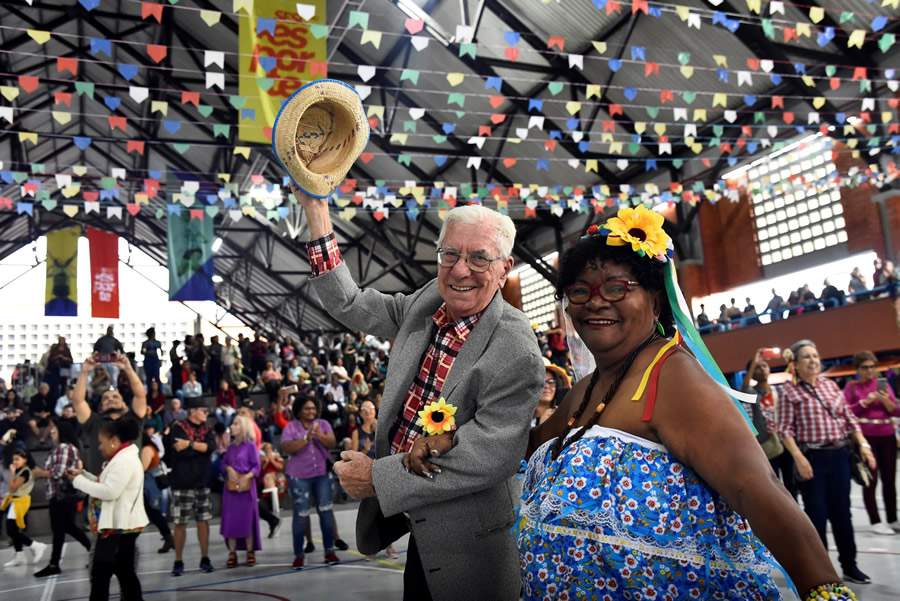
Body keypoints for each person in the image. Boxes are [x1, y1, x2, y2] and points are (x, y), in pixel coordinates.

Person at [490, 206, 858, 600]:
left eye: (616, 288)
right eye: (580, 291)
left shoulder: (672, 377)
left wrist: (823, 590)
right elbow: (525, 448)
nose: (595, 302)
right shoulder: (590, 387)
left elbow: (756, 487)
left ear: (655, 299)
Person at [297, 189, 544, 600]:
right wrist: (317, 211)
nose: (460, 269)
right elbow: (351, 303)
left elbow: (487, 457)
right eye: (450, 254)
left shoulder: (516, 348)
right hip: (421, 531)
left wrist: (378, 477)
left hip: (470, 545)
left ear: (505, 269)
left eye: (479, 258)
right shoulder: (429, 301)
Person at [779, 339, 877, 584]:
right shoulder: (789, 392)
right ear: (796, 364)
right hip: (812, 459)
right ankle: (822, 572)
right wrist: (799, 459)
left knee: (843, 514)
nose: (813, 360)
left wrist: (864, 445)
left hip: (840, 457)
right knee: (817, 516)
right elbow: (784, 430)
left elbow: (849, 418)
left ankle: (850, 566)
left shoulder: (831, 386)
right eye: (807, 357)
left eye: (815, 355)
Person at [69, 417, 147, 601]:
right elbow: (106, 483)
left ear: (113, 441)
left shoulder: (124, 461)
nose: (99, 447)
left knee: (101, 575)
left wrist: (78, 481)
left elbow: (110, 491)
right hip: (120, 526)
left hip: (117, 528)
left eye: (101, 443)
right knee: (124, 572)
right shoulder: (122, 457)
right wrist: (84, 475)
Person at [843, 351, 899, 535]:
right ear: (857, 369)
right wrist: (865, 403)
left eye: (872, 367)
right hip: (867, 438)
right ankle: (875, 521)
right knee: (871, 480)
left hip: (888, 436)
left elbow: (896, 411)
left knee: (890, 480)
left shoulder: (882, 385)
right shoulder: (852, 387)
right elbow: (847, 412)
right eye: (865, 367)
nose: (869, 371)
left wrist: (884, 400)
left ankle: (892, 519)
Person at [281, 397, 339, 568]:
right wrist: (306, 439)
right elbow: (287, 447)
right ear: (298, 410)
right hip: (298, 477)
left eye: (313, 408)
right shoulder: (291, 427)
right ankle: (299, 555)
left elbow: (332, 442)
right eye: (306, 409)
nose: (311, 412)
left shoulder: (323, 424)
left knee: (326, 511)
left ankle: (330, 551)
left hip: (322, 474)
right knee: (301, 514)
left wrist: (318, 435)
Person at [72, 353, 147, 477]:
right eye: (105, 398)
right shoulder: (93, 422)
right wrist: (84, 372)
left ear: (125, 404)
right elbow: (78, 401)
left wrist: (128, 368)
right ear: (101, 407)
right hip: (98, 487)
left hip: (130, 488)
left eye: (115, 396)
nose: (111, 399)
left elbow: (140, 395)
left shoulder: (134, 420)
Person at [32, 420, 91, 577]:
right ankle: (92, 550)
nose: (51, 432)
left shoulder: (63, 448)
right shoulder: (66, 448)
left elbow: (58, 473)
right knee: (67, 527)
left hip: (60, 496)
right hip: (62, 496)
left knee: (60, 529)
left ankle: (54, 564)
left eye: (54, 429)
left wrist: (39, 473)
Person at [165, 397, 216, 576]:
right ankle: (178, 560)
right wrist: (196, 449)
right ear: (193, 411)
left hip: (202, 481)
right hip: (182, 482)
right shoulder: (178, 427)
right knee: (180, 523)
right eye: (204, 410)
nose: (206, 414)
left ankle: (205, 557)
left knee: (203, 521)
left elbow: (210, 447)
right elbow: (178, 449)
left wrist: (190, 445)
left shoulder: (207, 429)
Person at [744, 350, 797, 499]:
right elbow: (744, 387)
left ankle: (794, 511)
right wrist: (755, 360)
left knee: (790, 481)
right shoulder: (752, 394)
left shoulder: (779, 390)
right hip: (767, 444)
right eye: (758, 367)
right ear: (752, 373)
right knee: (774, 483)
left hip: (785, 441)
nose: (762, 369)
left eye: (765, 366)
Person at [220, 416, 261, 568]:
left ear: (243, 427)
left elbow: (257, 467)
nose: (232, 426)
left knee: (247, 520)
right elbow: (223, 463)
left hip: (246, 489)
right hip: (231, 490)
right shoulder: (230, 447)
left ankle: (250, 551)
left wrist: (248, 476)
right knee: (231, 521)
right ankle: (232, 552)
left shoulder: (250, 446)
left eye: (236, 423)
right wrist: (228, 468)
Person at [2, 449, 47, 567]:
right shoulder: (20, 470)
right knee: (13, 529)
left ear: (25, 460)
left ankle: (35, 545)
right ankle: (19, 555)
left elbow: (12, 488)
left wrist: (12, 473)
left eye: (18, 459)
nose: (15, 462)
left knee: (11, 529)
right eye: (14, 459)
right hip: (15, 501)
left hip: (20, 502)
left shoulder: (25, 472)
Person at [140, 421, 174, 554]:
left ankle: (168, 538)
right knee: (152, 513)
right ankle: (168, 538)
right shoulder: (148, 448)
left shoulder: (147, 449)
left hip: (149, 484)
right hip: (148, 483)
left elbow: (142, 468)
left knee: (152, 512)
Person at [533, 358, 571, 427]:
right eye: (542, 382)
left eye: (551, 382)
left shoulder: (563, 414)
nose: (547, 386)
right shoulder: (521, 419)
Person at [46, 336, 73, 400]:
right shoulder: (55, 349)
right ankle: (55, 396)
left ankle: (63, 395)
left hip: (64, 369)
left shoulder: (67, 349)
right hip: (55, 369)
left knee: (64, 384)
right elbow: (50, 359)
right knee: (55, 384)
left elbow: (70, 360)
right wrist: (57, 357)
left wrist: (64, 358)